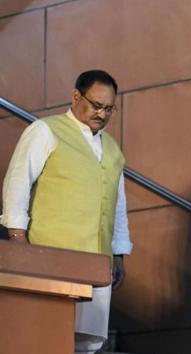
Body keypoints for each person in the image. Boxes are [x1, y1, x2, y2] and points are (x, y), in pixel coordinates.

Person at [0, 70, 133, 354]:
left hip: (97, 261)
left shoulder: (112, 148)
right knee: (46, 335)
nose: (102, 113)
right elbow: (17, 181)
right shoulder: (46, 130)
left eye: (109, 108)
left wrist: (119, 253)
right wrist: (17, 239)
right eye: (97, 105)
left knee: (88, 342)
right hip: (51, 257)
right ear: (76, 96)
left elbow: (117, 204)